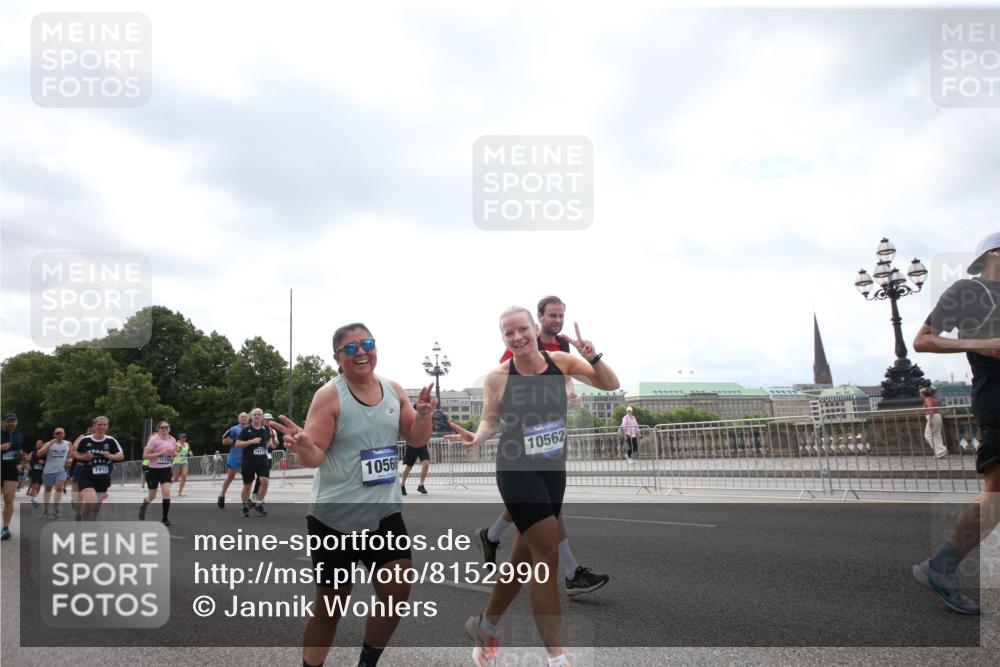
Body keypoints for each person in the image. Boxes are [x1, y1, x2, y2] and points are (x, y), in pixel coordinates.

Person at [449, 309, 620, 667]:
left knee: (521, 562)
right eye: (508, 333)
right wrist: (477, 437)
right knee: (547, 557)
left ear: (535, 329)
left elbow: (609, 384)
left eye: (522, 329)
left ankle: (484, 627)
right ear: (503, 339)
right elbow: (490, 420)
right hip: (516, 470)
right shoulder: (498, 377)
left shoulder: (561, 362)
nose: (517, 338)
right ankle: (557, 657)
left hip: (552, 470)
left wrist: (593, 358)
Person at [270, 323, 436, 667]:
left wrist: (423, 415)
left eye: (367, 344)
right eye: (350, 348)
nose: (361, 352)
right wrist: (304, 446)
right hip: (335, 519)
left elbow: (417, 438)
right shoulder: (329, 395)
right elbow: (315, 456)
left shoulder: (393, 391)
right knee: (331, 609)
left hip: (384, 513)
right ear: (338, 357)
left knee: (397, 592)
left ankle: (367, 663)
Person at [478, 296, 610, 599]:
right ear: (539, 320)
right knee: (543, 536)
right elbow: (505, 390)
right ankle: (570, 574)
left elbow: (563, 376)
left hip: (549, 454)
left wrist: (569, 392)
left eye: (561, 315)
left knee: (531, 542)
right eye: (552, 316)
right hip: (520, 454)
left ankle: (491, 539)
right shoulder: (520, 347)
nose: (558, 321)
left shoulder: (562, 347)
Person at [911, 231, 1000, 615]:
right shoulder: (969, 291)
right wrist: (980, 343)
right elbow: (923, 340)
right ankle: (941, 566)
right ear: (995, 253)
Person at [72, 416, 124, 521]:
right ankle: (86, 522)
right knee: (92, 501)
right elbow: (74, 453)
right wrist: (84, 458)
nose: (102, 427)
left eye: (105, 425)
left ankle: (89, 522)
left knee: (96, 506)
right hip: (87, 475)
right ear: (94, 426)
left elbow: (121, 456)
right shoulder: (85, 440)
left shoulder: (111, 440)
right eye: (99, 424)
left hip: (103, 476)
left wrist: (110, 456)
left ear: (107, 426)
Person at [236, 408, 273, 518]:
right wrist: (251, 441)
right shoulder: (246, 430)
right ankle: (244, 506)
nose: (257, 416)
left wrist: (270, 444)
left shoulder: (266, 429)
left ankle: (258, 504)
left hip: (262, 460)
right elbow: (238, 444)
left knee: (265, 481)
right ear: (252, 417)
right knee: (247, 486)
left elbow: (268, 440)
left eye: (259, 414)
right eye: (255, 414)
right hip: (248, 461)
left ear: (262, 417)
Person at [140, 421, 177, 526]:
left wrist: (174, 454)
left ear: (169, 428)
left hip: (166, 469)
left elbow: (173, 454)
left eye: (167, 427)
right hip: (153, 470)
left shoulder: (173, 440)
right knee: (152, 496)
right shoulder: (153, 440)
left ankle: (165, 518)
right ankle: (144, 505)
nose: (165, 429)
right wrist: (159, 453)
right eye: (162, 427)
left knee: (166, 492)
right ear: (158, 429)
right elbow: (145, 456)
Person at [1, 413, 29, 540]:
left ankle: (5, 528)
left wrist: (22, 457)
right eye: (8, 421)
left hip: (11, 469)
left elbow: (19, 452)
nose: (11, 423)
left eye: (13, 421)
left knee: (9, 498)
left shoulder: (19, 436)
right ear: (3, 422)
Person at [218, 411, 249, 508]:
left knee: (248, 479)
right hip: (235, 457)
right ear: (238, 419)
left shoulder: (251, 429)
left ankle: (247, 499)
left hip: (247, 457)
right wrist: (236, 441)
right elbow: (224, 441)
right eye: (242, 417)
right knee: (230, 477)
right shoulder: (234, 429)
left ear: (248, 419)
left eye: (245, 417)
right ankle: (222, 495)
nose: (244, 418)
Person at [39, 427, 71, 518]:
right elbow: (39, 453)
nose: (59, 435)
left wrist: (70, 459)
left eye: (61, 433)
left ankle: (57, 509)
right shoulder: (50, 443)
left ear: (64, 434)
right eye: (57, 433)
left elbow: (71, 454)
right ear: (54, 435)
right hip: (48, 471)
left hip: (61, 470)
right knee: (48, 490)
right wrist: (49, 445)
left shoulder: (68, 444)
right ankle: (46, 508)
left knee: (59, 488)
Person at [920, 387, 947, 458]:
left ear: (923, 394)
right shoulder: (932, 399)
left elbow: (930, 409)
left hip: (933, 417)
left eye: (920, 393)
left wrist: (930, 420)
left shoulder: (927, 400)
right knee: (936, 435)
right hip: (937, 416)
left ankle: (941, 450)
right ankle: (939, 453)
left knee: (928, 435)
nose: (920, 395)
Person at [27, 440, 46, 507]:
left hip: (42, 472)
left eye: (39, 444)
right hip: (34, 471)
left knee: (39, 486)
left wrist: (44, 462)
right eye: (37, 444)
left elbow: (49, 462)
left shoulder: (46, 453)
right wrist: (28, 465)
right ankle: (34, 500)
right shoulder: (33, 453)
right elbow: (29, 460)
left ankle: (34, 498)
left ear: (43, 445)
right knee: (35, 485)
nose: (37, 445)